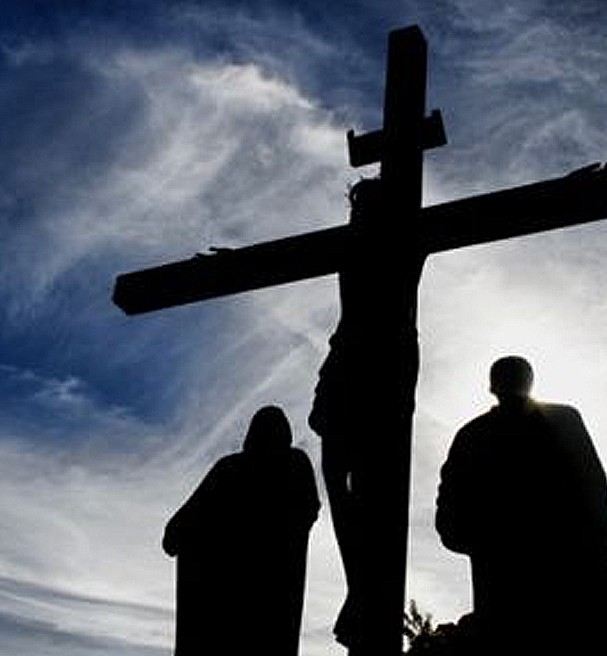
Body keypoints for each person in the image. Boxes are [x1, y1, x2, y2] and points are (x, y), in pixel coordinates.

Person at [309, 178, 424, 652]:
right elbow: (278, 257)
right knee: (341, 490)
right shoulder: (346, 244)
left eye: (364, 208)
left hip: (382, 374)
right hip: (347, 373)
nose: (357, 215)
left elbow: (494, 213)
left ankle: (366, 595)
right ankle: (361, 590)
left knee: (375, 494)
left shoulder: (409, 235)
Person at [435, 356, 607, 640]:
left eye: (516, 375)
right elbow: (449, 513)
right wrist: (488, 540)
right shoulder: (472, 436)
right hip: (504, 577)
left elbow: (595, 490)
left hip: (566, 563)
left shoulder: (562, 420)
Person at [163, 406, 320, 656]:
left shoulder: (287, 464)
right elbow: (176, 531)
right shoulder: (232, 468)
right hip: (235, 597)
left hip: (268, 592)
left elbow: (176, 531)